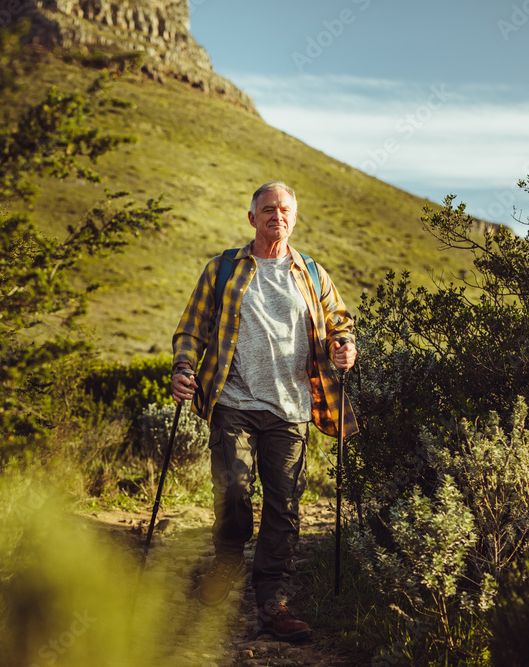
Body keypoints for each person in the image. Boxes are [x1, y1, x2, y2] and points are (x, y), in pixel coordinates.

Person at [171, 181, 357, 641]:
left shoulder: (312, 273)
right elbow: (191, 329)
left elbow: (339, 320)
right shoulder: (223, 269)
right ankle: (228, 557)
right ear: (252, 218)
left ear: (294, 218)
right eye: (268, 209)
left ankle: (272, 602)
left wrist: (345, 345)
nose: (278, 215)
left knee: (285, 507)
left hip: (291, 408)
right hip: (233, 400)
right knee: (234, 489)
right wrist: (182, 367)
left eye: (286, 209)